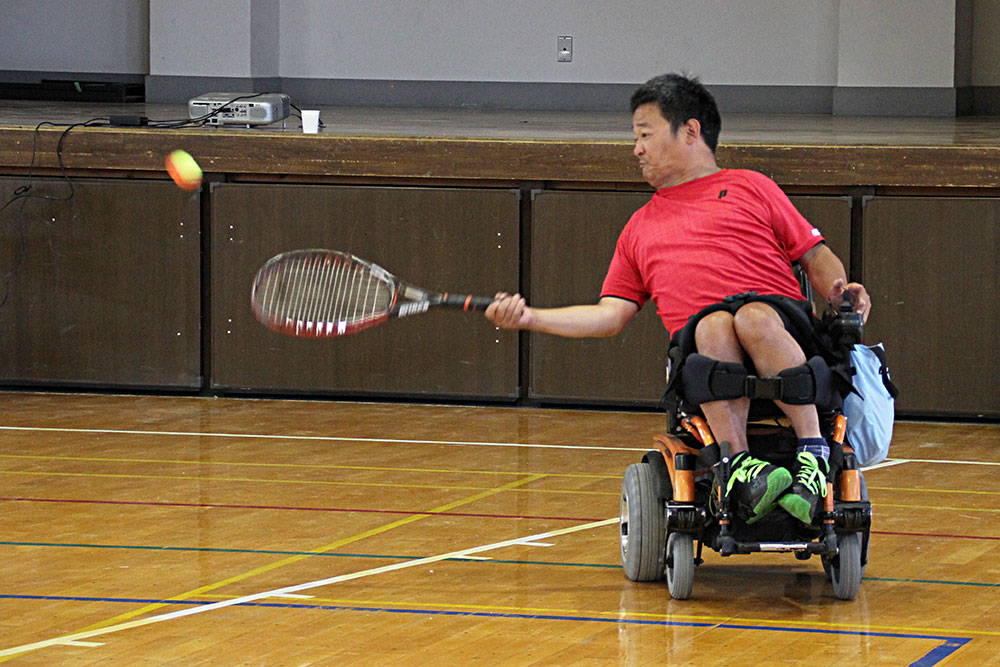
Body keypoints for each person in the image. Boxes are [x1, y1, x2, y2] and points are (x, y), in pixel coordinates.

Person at [485, 73, 871, 526]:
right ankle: (740, 465)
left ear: (689, 131)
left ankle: (812, 454)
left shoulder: (751, 186)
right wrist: (531, 317)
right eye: (635, 138)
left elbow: (815, 255)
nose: (637, 149)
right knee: (712, 324)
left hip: (780, 327)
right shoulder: (638, 228)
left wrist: (841, 291)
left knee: (751, 317)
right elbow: (609, 315)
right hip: (704, 350)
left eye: (645, 135)